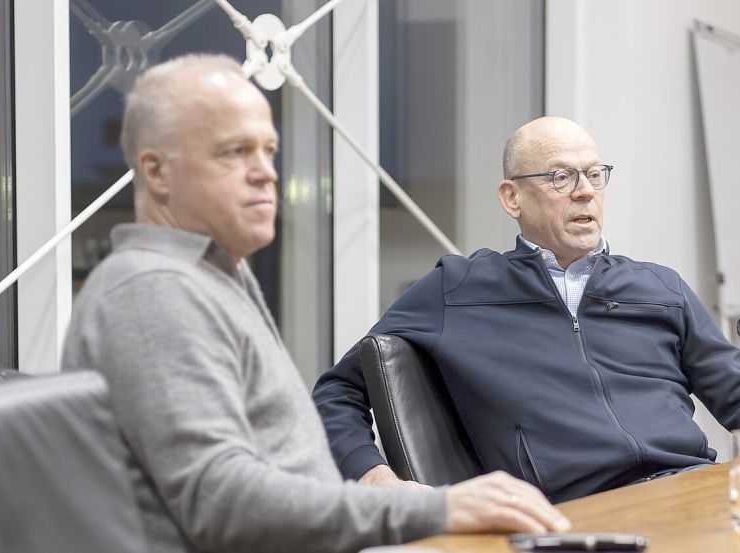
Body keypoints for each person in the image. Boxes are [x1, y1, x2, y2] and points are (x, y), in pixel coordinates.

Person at [62, 54, 569, 553]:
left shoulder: (212, 276)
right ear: (156, 172)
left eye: (268, 150)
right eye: (234, 152)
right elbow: (225, 506)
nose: (266, 173)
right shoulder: (152, 290)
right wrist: (437, 509)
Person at [313, 116, 740, 503]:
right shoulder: (459, 286)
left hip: (692, 491)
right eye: (560, 176)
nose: (584, 191)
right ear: (511, 197)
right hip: (584, 513)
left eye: (595, 174)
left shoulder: (659, 286)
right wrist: (375, 478)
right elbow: (337, 390)